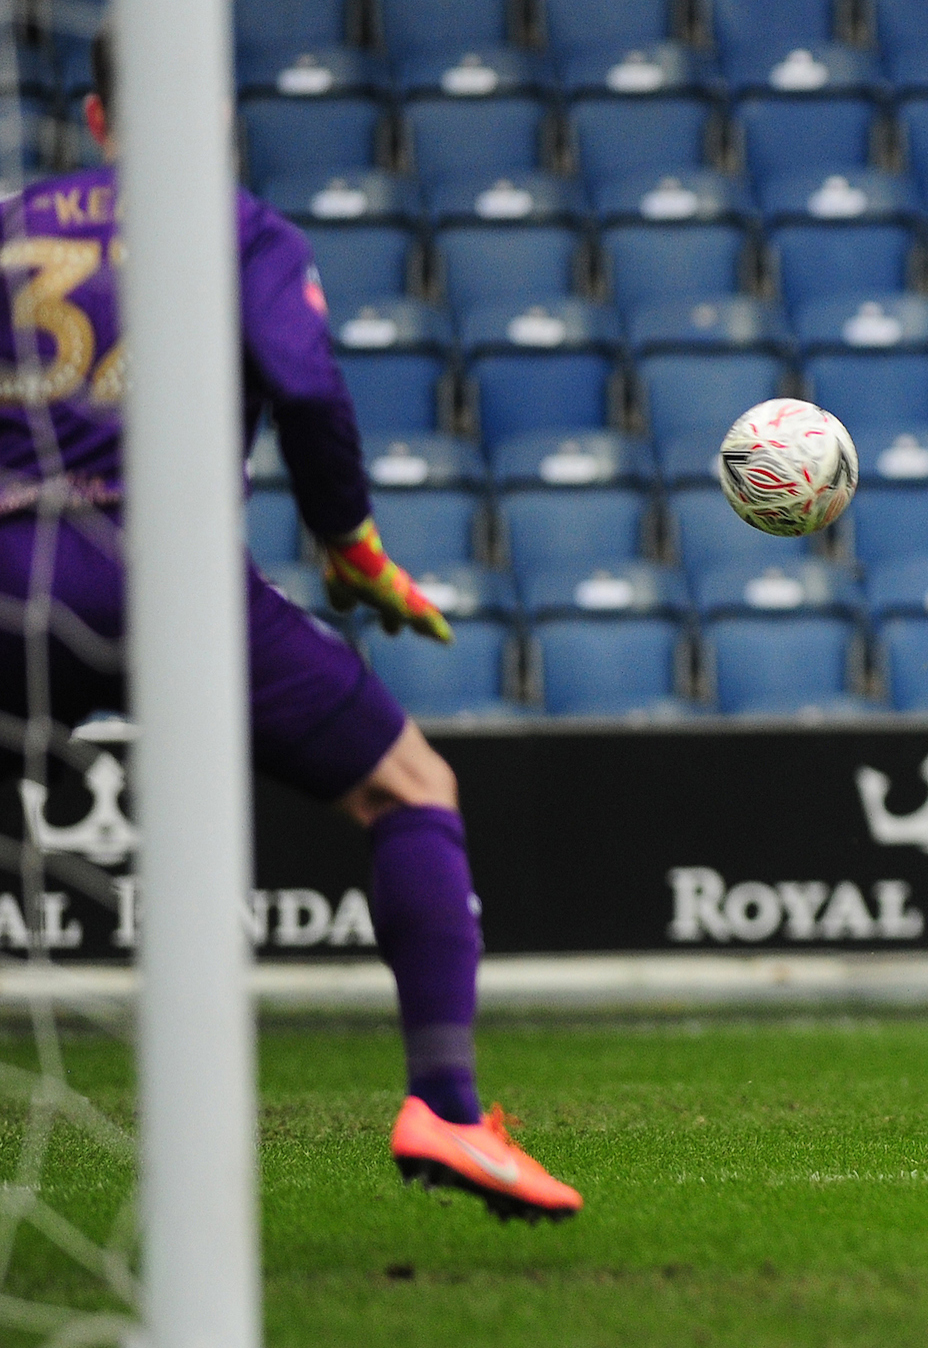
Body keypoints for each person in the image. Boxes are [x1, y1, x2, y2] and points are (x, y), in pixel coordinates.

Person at [0, 33, 580, 1219]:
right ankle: (450, 1111)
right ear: (201, 108)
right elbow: (307, 388)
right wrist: (353, 551)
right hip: (161, 575)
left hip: (10, 573)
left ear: (99, 116)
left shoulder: (11, 223)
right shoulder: (237, 225)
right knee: (410, 788)